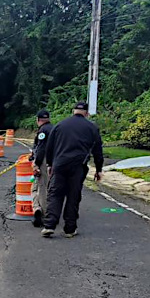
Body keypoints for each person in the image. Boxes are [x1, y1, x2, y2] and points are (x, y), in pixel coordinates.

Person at [42, 102, 104, 238]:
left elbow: (50, 147)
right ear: (87, 113)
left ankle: (49, 225)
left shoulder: (60, 125)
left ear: (73, 111)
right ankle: (69, 229)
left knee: (55, 194)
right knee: (73, 196)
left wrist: (50, 164)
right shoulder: (92, 127)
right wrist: (99, 169)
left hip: (59, 164)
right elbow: (98, 150)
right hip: (78, 166)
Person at [30, 109, 54, 227]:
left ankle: (42, 214)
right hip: (56, 161)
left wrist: (37, 164)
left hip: (45, 161)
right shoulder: (55, 128)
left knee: (42, 186)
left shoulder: (43, 131)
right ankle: (44, 209)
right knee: (51, 187)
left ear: (38, 120)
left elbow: (41, 149)